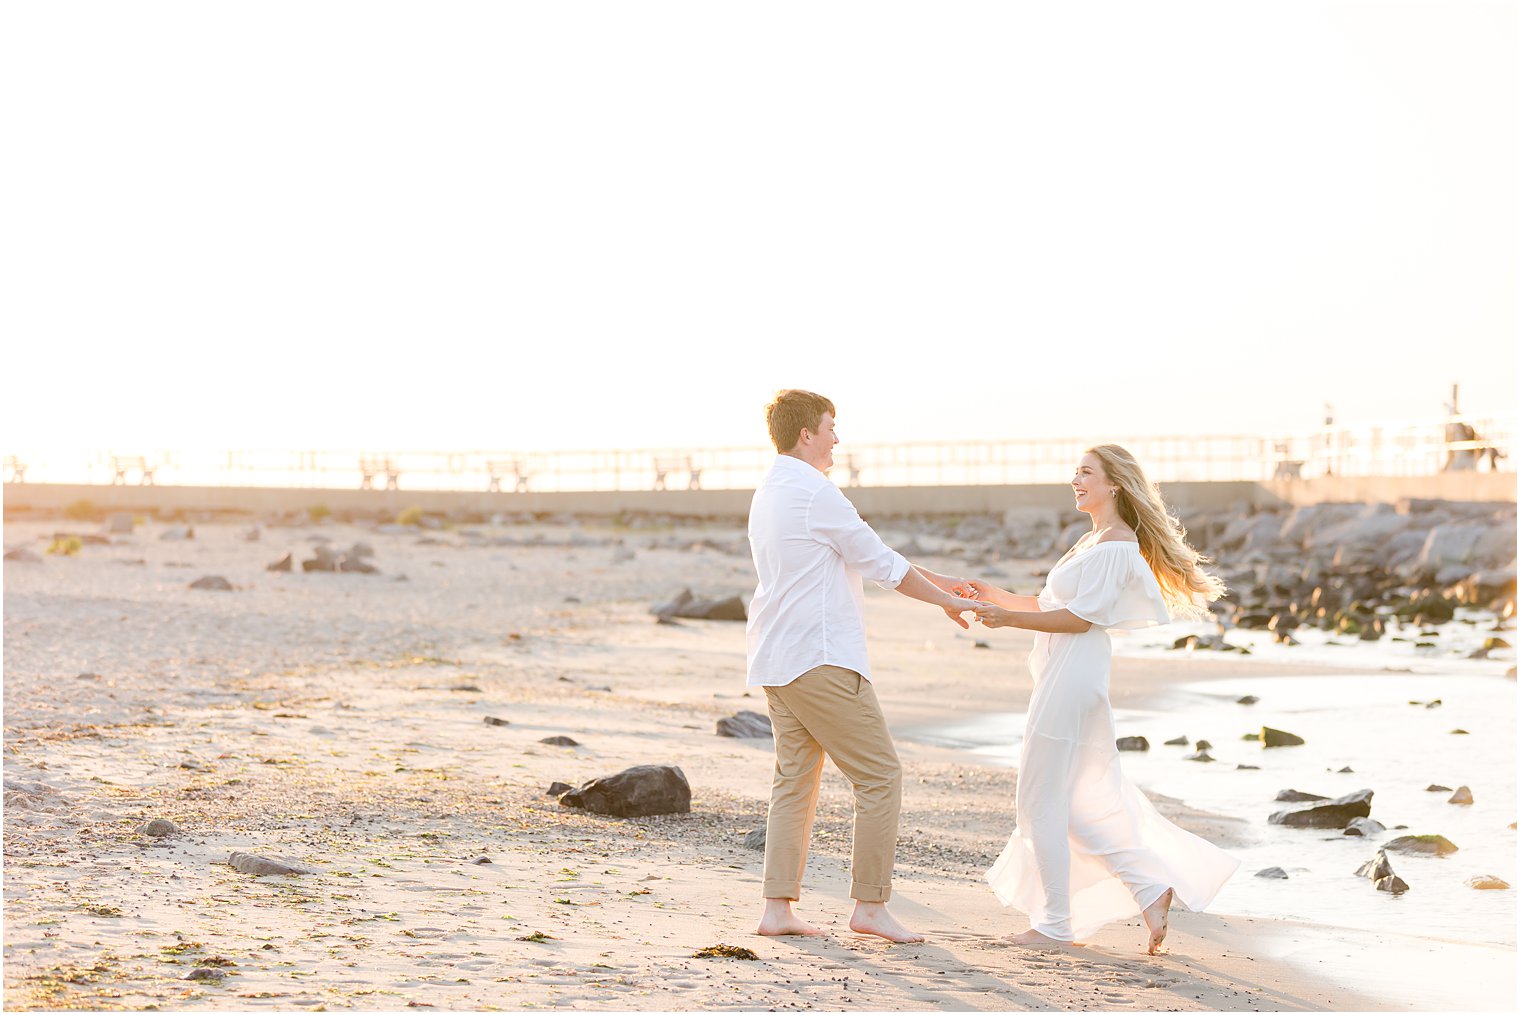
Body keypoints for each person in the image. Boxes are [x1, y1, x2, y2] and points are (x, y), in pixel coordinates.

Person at [965, 444, 1240, 954]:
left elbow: (1081, 619)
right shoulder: (1092, 541)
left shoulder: (1116, 544)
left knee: (1039, 798)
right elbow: (1055, 605)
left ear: (1114, 484)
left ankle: (1053, 925)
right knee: (1069, 801)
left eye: (1086, 472)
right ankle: (1148, 887)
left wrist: (1011, 621)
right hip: (1065, 673)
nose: (1076, 479)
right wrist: (997, 598)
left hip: (1074, 674)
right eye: (1076, 471)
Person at [747, 389, 979, 942]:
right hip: (821, 658)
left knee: (795, 782)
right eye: (831, 426)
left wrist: (944, 584)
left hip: (778, 658)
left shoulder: (771, 490)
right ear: (806, 433)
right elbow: (883, 566)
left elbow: (871, 557)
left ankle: (777, 909)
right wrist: (948, 601)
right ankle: (869, 907)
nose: (836, 437)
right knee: (880, 776)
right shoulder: (815, 491)